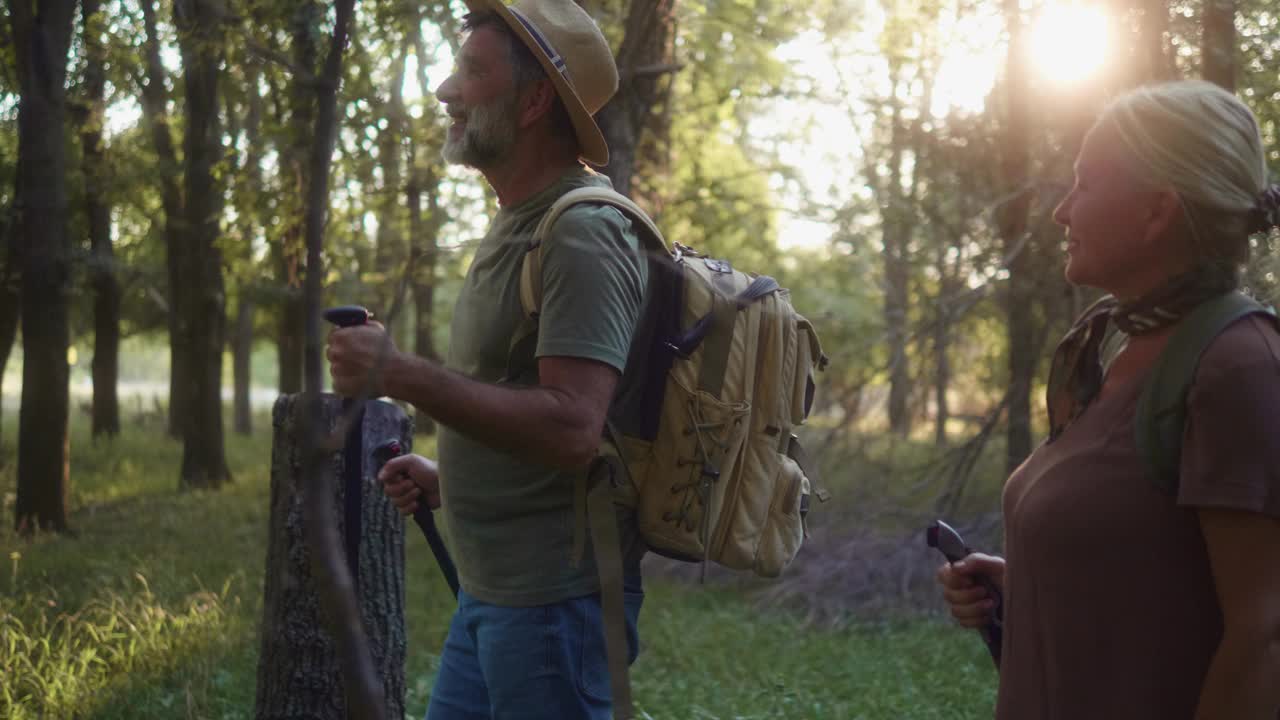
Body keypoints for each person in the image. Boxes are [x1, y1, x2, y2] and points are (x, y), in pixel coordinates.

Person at [326, 1, 648, 718]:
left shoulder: (583, 232)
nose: (446, 89)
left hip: (554, 610)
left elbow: (572, 429)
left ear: (535, 100)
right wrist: (457, 480)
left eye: (472, 70)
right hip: (494, 598)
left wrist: (400, 375)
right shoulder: (516, 224)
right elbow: (521, 399)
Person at [937, 80, 1280, 719]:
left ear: (1156, 212)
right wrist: (1029, 586)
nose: (1062, 211)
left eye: (1085, 184)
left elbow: (1263, 640)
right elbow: (1161, 577)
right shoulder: (1116, 352)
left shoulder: (1236, 368)